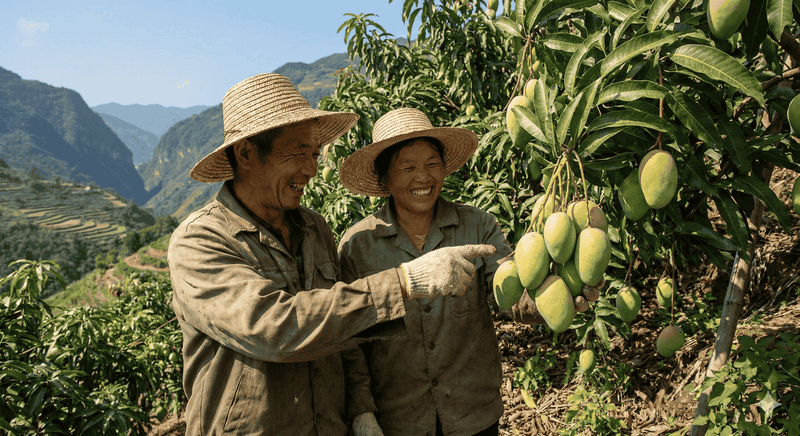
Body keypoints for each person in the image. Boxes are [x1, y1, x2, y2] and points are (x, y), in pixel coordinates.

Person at [167, 74, 496, 436]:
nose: (310, 169)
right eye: (297, 153)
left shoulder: (313, 228)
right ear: (246, 153)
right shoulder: (199, 240)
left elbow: (344, 331)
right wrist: (405, 281)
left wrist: (359, 409)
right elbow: (273, 327)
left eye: (314, 154)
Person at [338, 108, 546, 436]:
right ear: (384, 179)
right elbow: (351, 340)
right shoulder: (357, 245)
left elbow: (509, 294)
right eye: (408, 167)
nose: (423, 177)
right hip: (398, 420)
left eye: (432, 164)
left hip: (473, 414)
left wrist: (550, 298)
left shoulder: (478, 226)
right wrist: (361, 410)